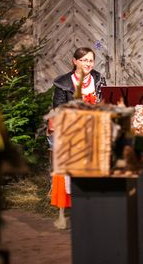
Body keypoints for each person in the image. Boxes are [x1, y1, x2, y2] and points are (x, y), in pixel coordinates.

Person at [49, 47, 106, 229]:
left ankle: (92, 208)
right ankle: (70, 211)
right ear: (75, 61)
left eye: (91, 60)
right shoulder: (63, 83)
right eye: (84, 60)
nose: (88, 64)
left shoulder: (98, 79)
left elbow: (105, 102)